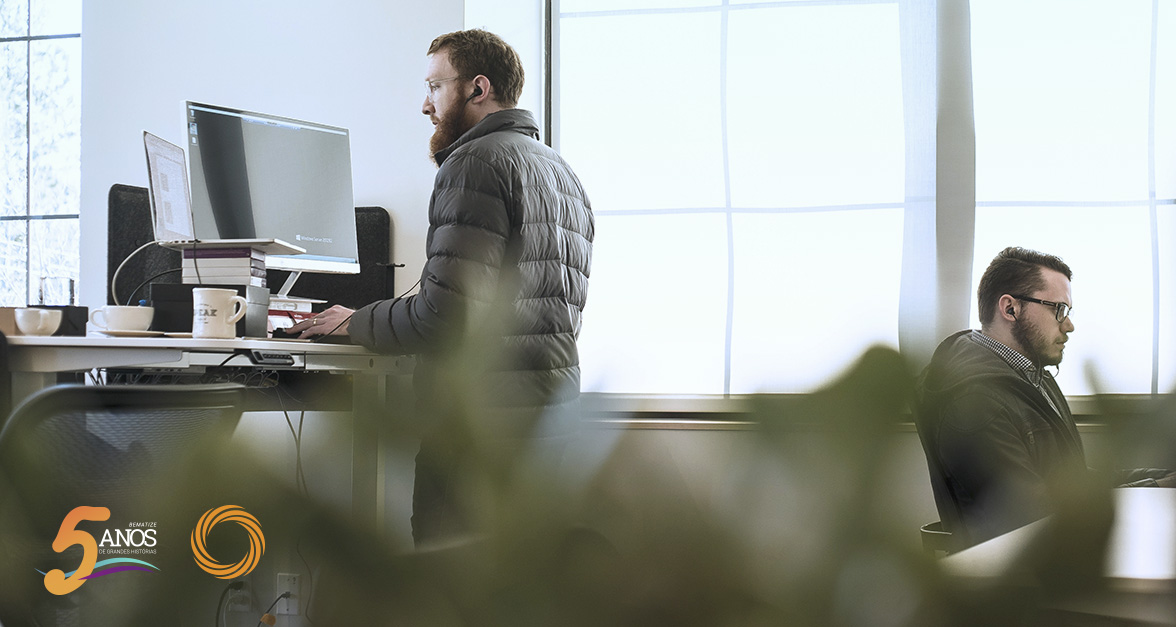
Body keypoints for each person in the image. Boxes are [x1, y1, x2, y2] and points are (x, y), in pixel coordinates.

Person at [289, 29, 594, 545]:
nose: (424, 105)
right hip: (551, 428)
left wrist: (354, 321)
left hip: (481, 435)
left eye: (434, 86)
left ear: (478, 89)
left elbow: (444, 318)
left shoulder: (474, 163)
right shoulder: (561, 172)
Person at [914, 246, 1173, 548]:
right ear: (1010, 309)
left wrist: (1161, 479)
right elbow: (1026, 513)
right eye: (1058, 309)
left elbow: (1073, 483)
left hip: (1052, 555)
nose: (1069, 325)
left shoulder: (1032, 376)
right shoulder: (974, 400)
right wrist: (1154, 487)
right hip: (1018, 577)